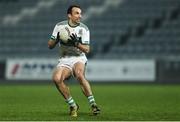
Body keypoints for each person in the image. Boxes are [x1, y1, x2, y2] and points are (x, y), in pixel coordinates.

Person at [48, 5, 100, 117]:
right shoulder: (59, 26)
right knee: (56, 79)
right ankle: (73, 105)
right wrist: (56, 39)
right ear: (69, 15)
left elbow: (87, 49)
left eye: (80, 13)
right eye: (77, 13)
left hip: (79, 58)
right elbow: (50, 45)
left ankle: (93, 104)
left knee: (79, 74)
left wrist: (77, 43)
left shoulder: (84, 29)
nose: (80, 16)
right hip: (64, 59)